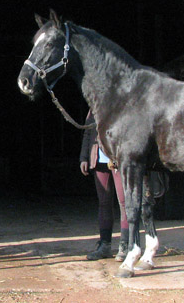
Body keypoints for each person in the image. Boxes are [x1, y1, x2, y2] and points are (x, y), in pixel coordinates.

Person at [79, 111, 129, 261]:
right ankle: (105, 245)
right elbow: (88, 131)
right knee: (104, 203)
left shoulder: (118, 100)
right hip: (99, 159)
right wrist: (84, 157)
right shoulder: (93, 106)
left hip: (116, 158)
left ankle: (126, 245)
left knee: (124, 202)